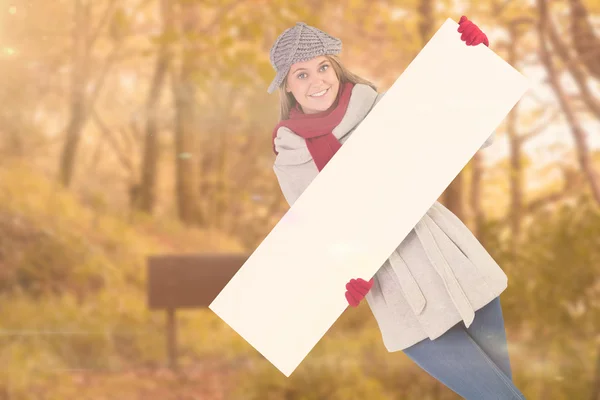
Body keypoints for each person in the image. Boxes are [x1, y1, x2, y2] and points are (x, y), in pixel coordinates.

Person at [267, 17, 526, 399]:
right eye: (301, 74)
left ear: (336, 68)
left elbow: (456, 132)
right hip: (402, 300)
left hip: (460, 267)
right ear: (287, 86)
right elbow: (316, 235)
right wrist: (340, 278)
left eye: (323, 67)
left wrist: (477, 64)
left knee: (503, 395)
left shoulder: (381, 109)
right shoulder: (292, 159)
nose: (317, 80)